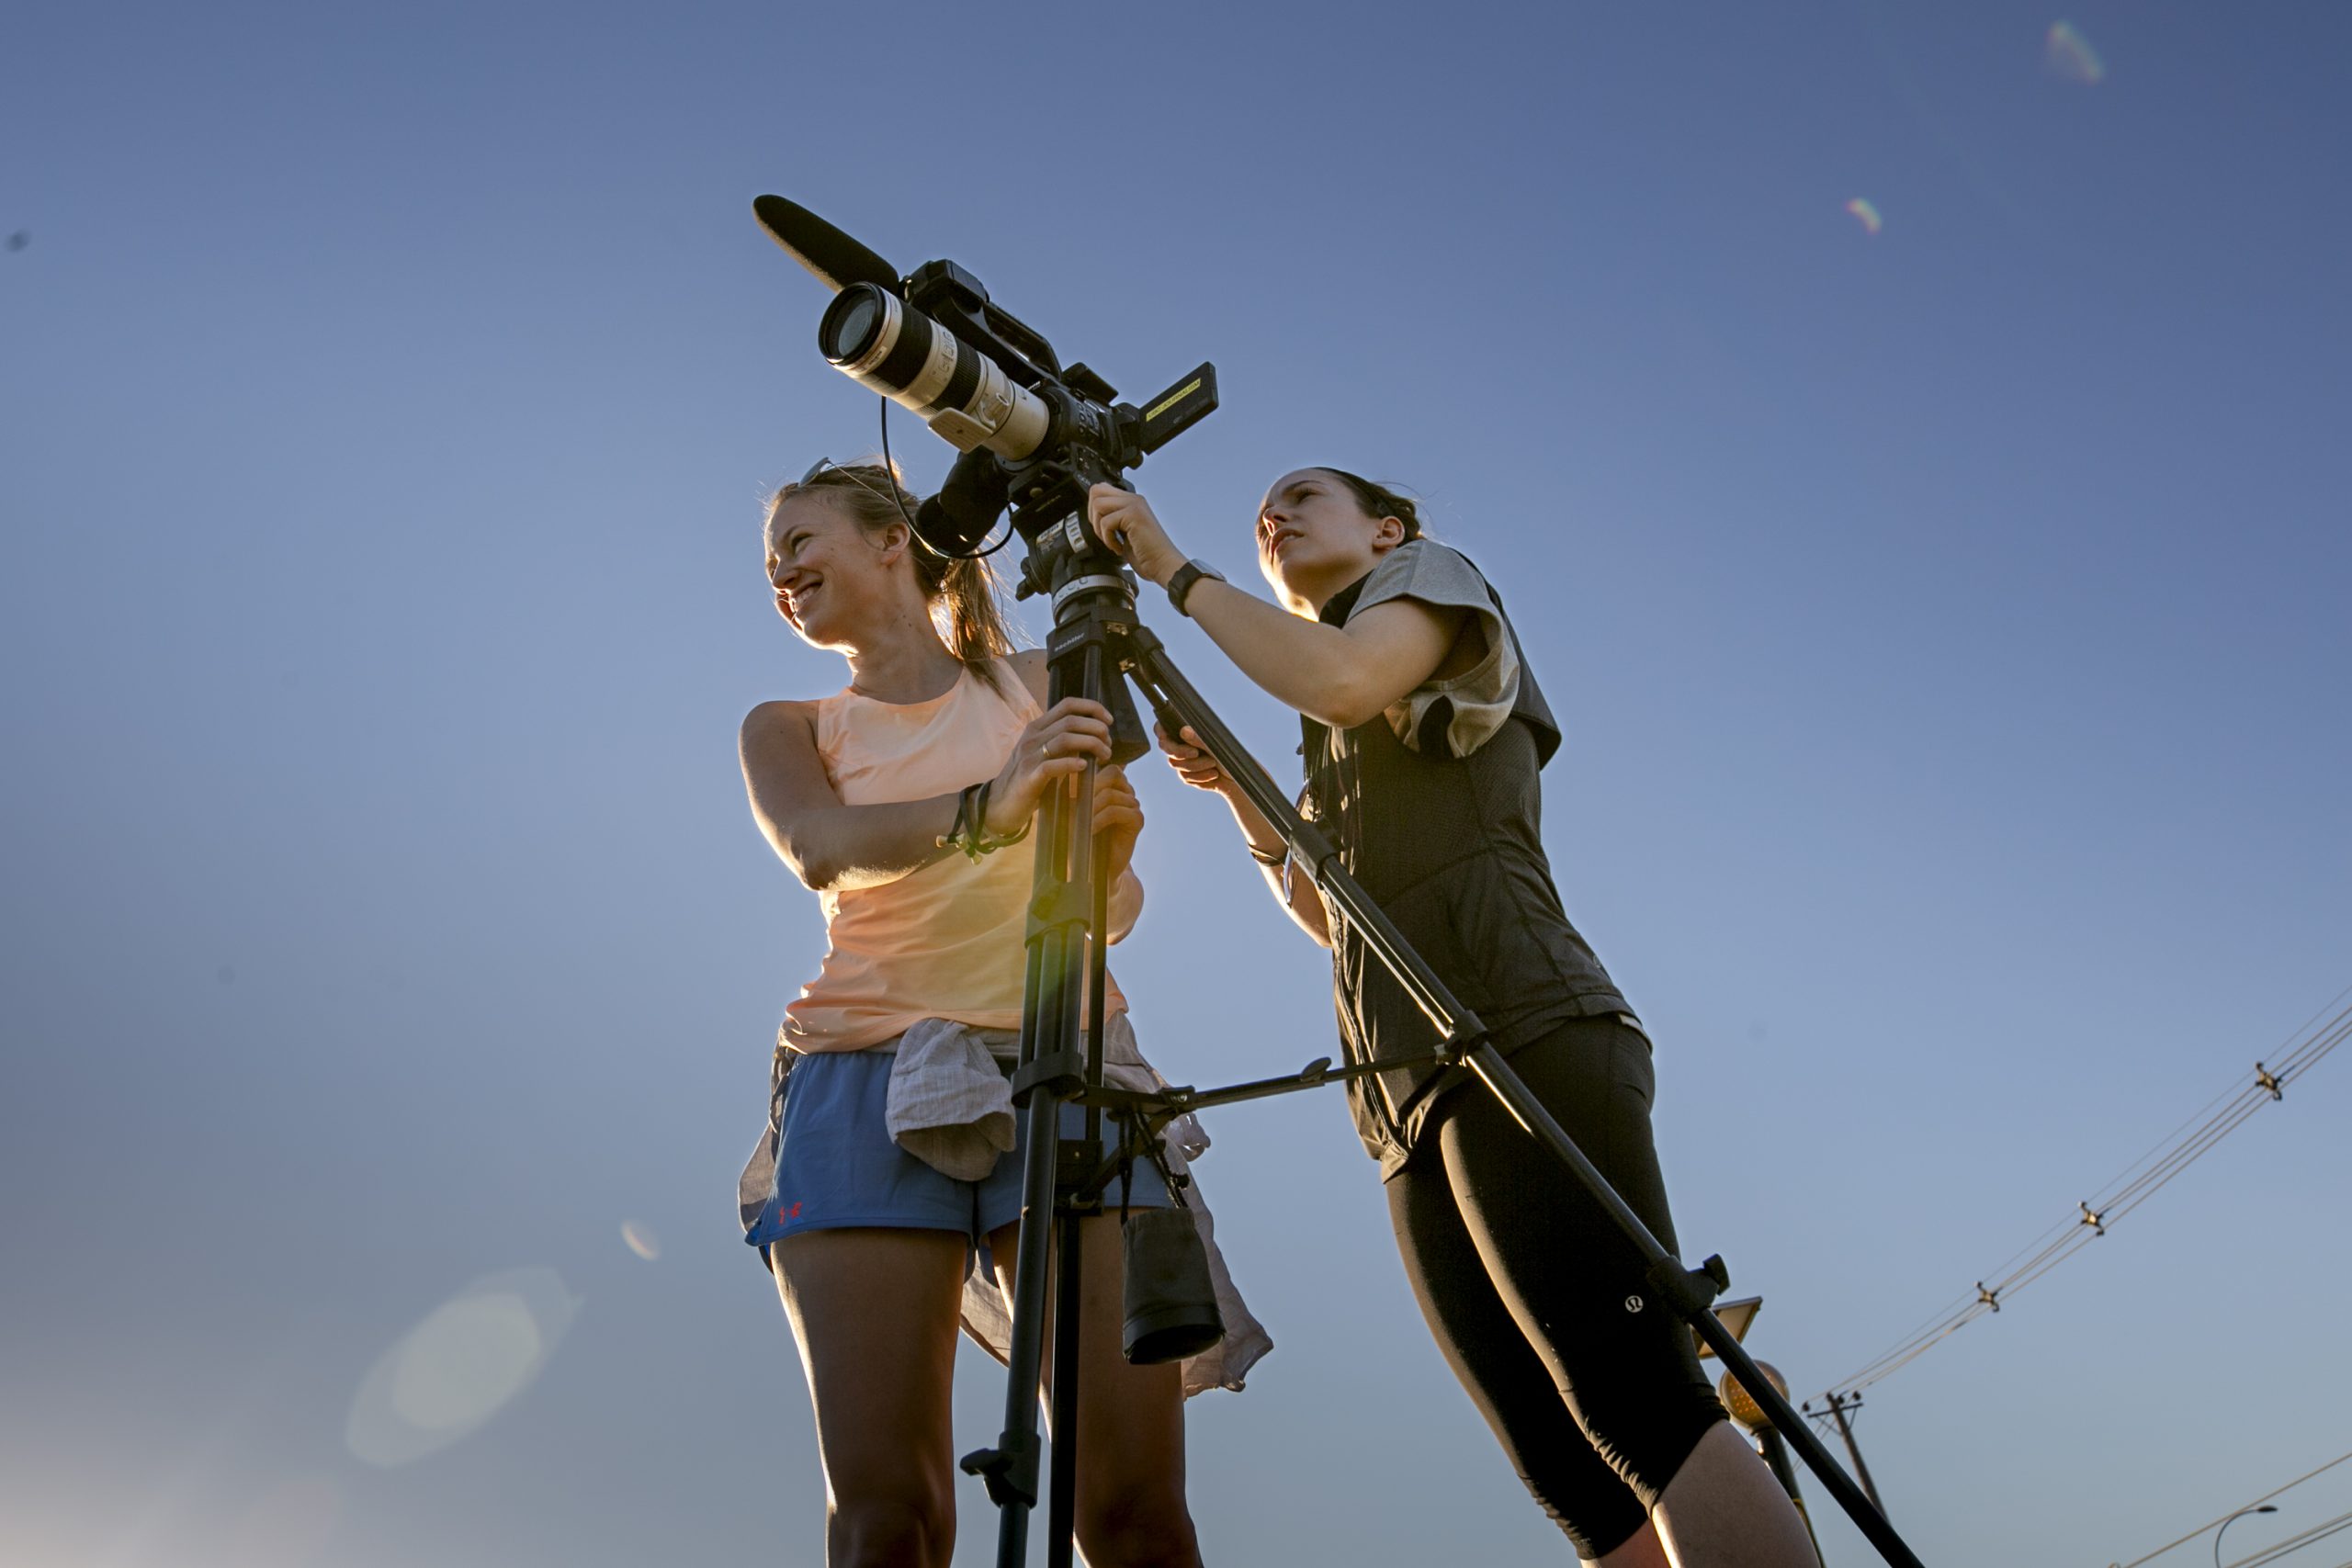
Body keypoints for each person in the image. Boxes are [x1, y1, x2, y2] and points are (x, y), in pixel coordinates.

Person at [1085, 471, 1816, 1568]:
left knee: (1637, 1401)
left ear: (1387, 527)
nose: (1271, 516)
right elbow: (1333, 918)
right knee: (1565, 1468)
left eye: (1303, 496)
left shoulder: (1428, 584)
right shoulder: (1333, 707)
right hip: (1401, 1090)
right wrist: (1239, 795)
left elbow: (1339, 681)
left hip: (1518, 1018)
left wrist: (1174, 569)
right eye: (1260, 513)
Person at [735, 460, 1264, 1568]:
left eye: (799, 540)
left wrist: (1109, 852)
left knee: (1132, 1518)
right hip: (859, 1079)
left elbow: (1108, 915)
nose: (781, 572)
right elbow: (819, 848)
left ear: (894, 541)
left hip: (1065, 1067)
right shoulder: (788, 723)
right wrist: (994, 801)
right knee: (892, 1521)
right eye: (771, 558)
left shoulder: (1036, 680)